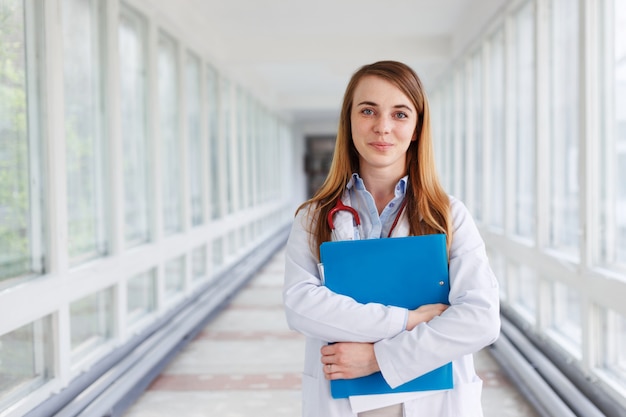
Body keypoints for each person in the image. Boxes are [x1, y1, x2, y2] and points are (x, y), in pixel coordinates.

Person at [283, 60, 500, 417]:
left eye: (400, 114)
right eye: (368, 111)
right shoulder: (315, 217)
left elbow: (480, 318)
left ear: (416, 128)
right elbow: (301, 306)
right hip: (342, 403)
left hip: (434, 403)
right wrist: (408, 320)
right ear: (349, 121)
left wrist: (379, 358)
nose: (382, 127)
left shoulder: (448, 215)